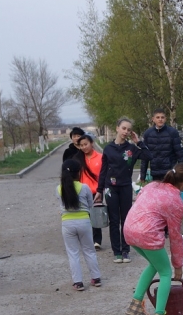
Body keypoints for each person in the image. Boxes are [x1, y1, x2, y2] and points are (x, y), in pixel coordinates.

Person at [123, 163, 183, 315]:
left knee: (155, 265)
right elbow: (176, 237)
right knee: (165, 273)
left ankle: (136, 305)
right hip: (147, 234)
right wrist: (178, 265)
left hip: (129, 230)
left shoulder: (152, 185)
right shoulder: (176, 202)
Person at [99, 117, 145, 263]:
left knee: (126, 220)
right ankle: (116, 252)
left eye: (129, 129)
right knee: (114, 220)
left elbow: (149, 156)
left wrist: (138, 142)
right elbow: (103, 170)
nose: (126, 131)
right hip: (110, 189)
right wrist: (99, 191)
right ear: (117, 128)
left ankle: (126, 250)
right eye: (123, 128)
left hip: (125, 187)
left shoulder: (131, 149)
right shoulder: (108, 149)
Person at [58, 159, 102, 290]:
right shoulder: (85, 188)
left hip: (67, 223)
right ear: (79, 173)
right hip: (84, 222)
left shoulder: (59, 189)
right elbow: (90, 204)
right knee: (89, 250)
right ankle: (96, 278)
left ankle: (78, 282)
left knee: (73, 253)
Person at [140, 108, 183, 182]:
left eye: (162, 117)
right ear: (153, 119)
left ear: (165, 119)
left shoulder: (172, 132)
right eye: (157, 117)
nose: (160, 119)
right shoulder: (148, 134)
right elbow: (145, 156)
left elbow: (180, 154)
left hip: (170, 173)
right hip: (155, 173)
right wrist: (143, 176)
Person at [76, 135, 105, 250]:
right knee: (84, 216)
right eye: (81, 145)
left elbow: (103, 175)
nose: (84, 147)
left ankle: (97, 241)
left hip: (96, 192)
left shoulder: (101, 157)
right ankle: (86, 240)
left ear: (92, 143)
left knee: (95, 216)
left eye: (86, 144)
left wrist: (101, 190)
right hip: (82, 191)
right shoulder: (78, 159)